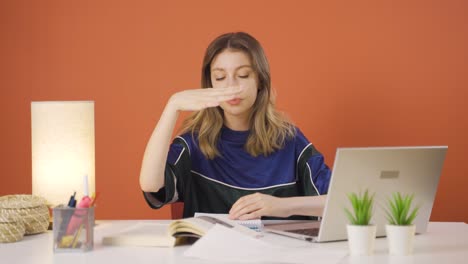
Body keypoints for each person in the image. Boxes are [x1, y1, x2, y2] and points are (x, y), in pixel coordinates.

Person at [139, 32, 331, 220]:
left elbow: (342, 201)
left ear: (260, 81)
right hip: (209, 252)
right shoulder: (193, 143)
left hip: (277, 252)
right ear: (210, 84)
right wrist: (172, 106)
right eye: (220, 78)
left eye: (243, 74)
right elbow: (151, 185)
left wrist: (281, 206)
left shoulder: (290, 140)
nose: (231, 86)